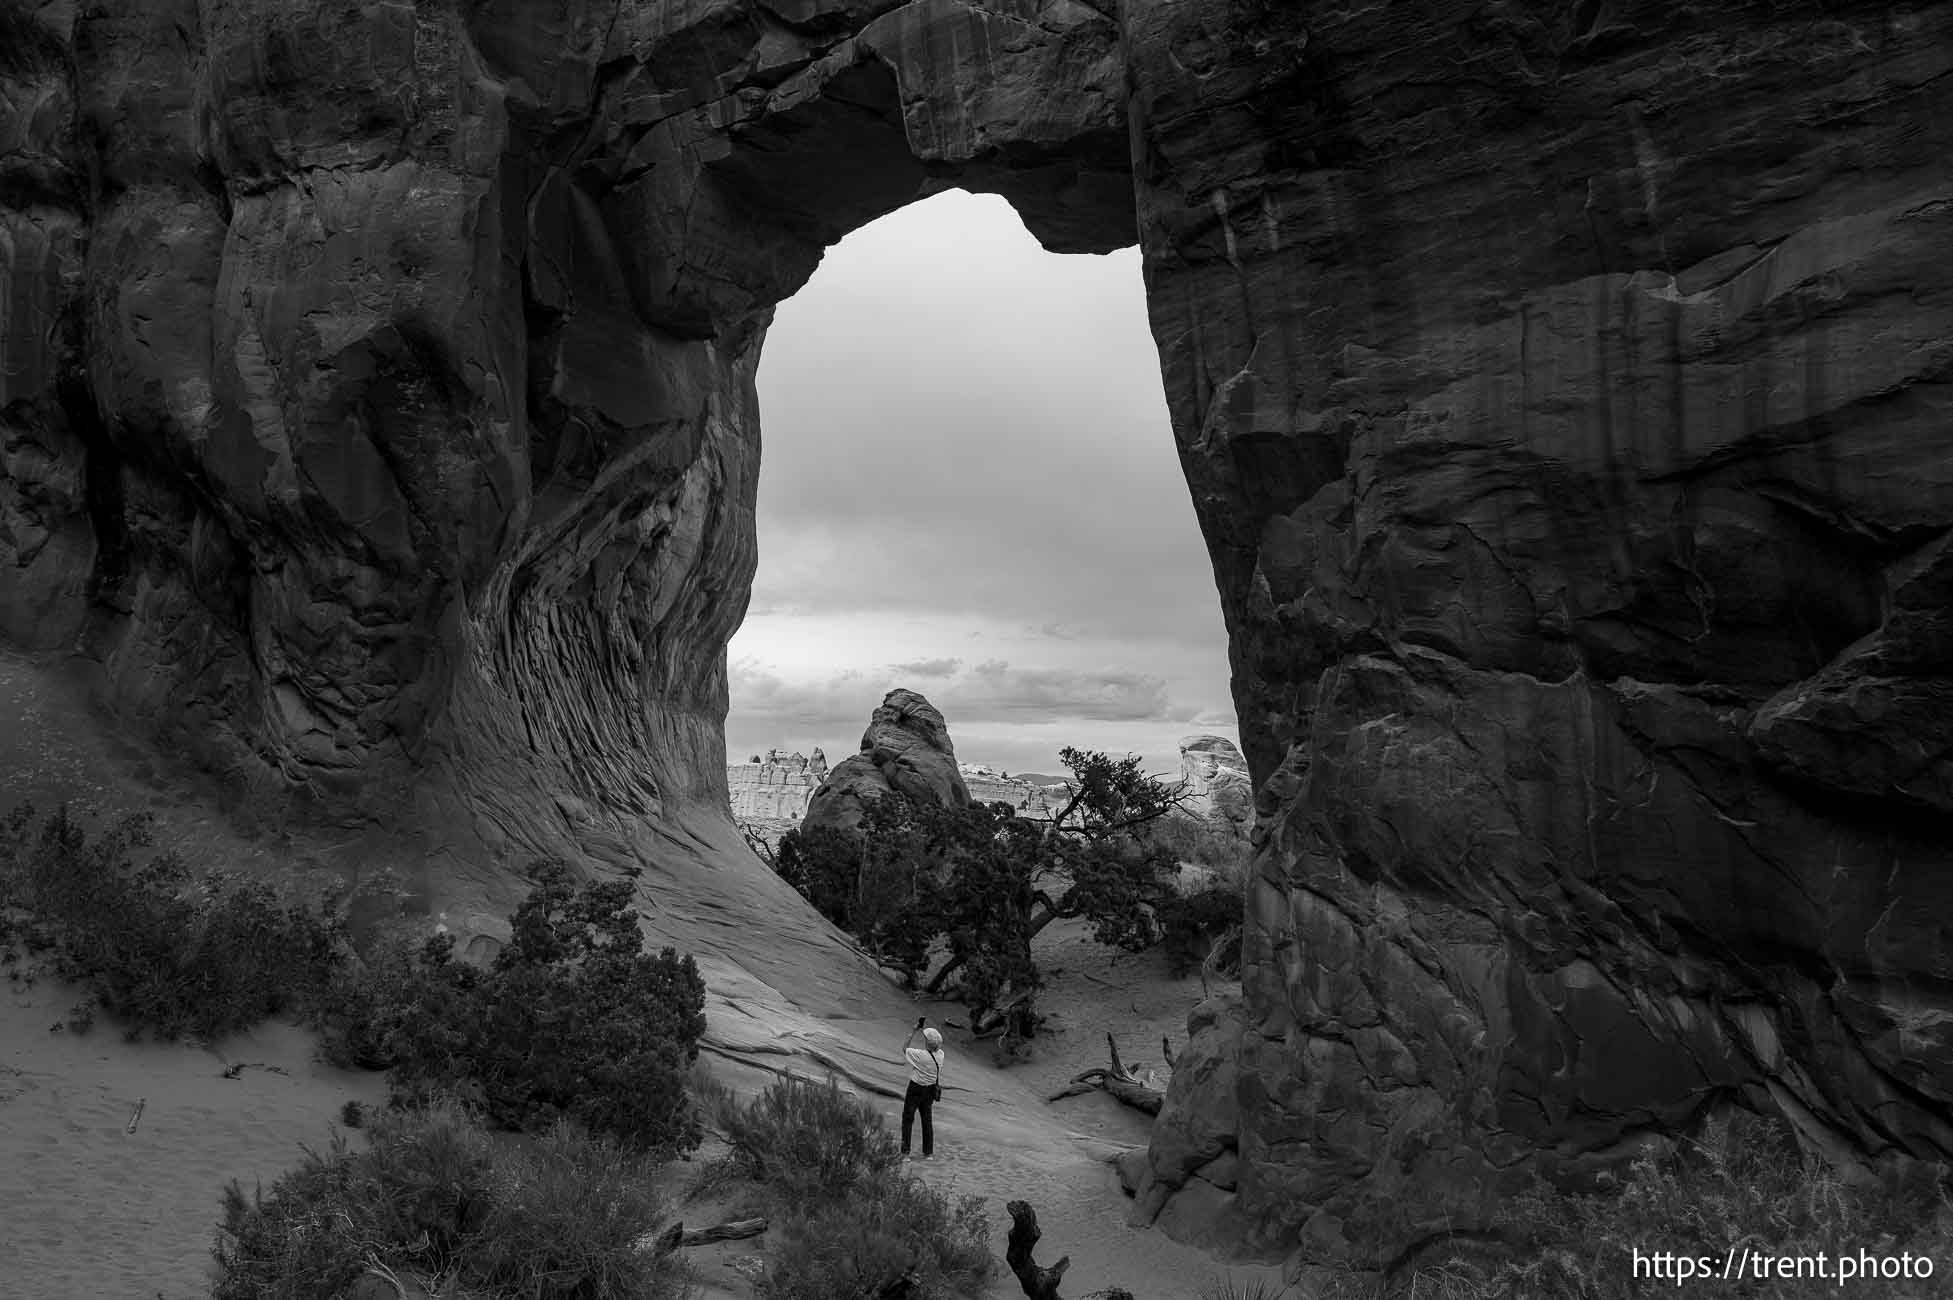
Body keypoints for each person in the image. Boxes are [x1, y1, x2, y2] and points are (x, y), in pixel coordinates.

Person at [900, 1016, 945, 1159]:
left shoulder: (920, 1055)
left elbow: (904, 1048)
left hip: (915, 1088)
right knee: (927, 1120)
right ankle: (928, 1153)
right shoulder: (941, 1055)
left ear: (928, 1043)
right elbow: (933, 1047)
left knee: (908, 1119)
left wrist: (913, 1031)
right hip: (930, 1090)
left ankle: (905, 1153)